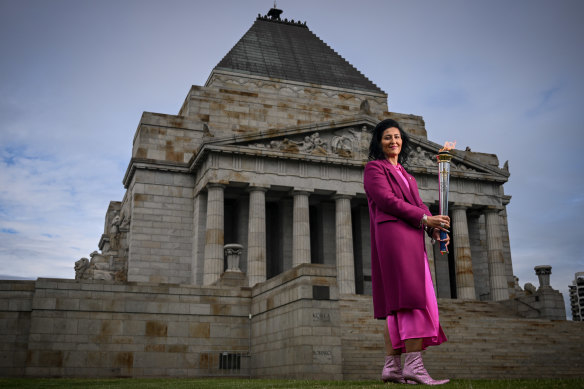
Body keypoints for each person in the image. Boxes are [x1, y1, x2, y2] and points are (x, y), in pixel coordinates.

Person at [363, 119, 451, 385]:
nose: (394, 141)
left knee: (398, 306)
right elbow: (387, 201)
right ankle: (414, 366)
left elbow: (419, 204)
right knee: (411, 298)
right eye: (388, 137)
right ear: (379, 142)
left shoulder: (406, 174)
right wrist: (425, 220)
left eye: (397, 137)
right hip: (394, 237)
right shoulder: (374, 169)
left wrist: (432, 227)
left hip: (411, 236)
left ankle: (392, 367)